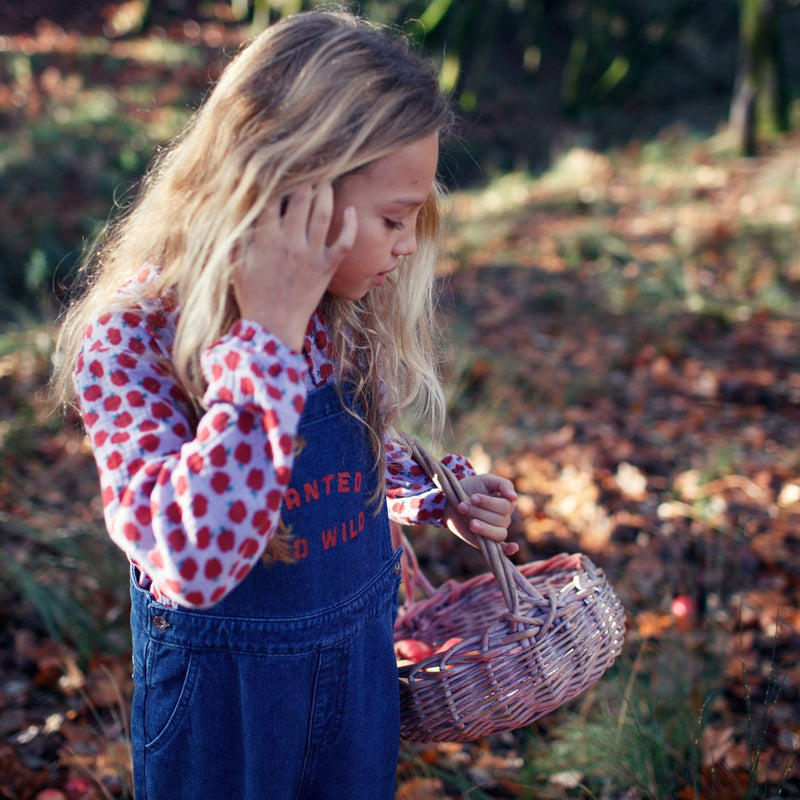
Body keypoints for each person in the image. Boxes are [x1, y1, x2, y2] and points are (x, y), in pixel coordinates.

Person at [53, 9, 518, 799]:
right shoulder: (131, 341)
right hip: (227, 712)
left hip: (359, 678)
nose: (407, 245)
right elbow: (192, 563)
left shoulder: (339, 317)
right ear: (292, 192)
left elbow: (345, 453)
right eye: (394, 219)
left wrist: (442, 492)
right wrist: (266, 335)